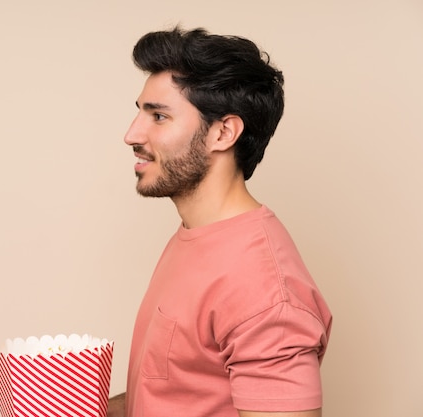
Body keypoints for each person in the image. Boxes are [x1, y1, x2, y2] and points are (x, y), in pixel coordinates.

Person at [107, 26, 332, 417]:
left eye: (158, 116)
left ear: (223, 133)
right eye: (140, 112)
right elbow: (182, 393)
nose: (132, 134)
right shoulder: (197, 235)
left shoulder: (265, 292)